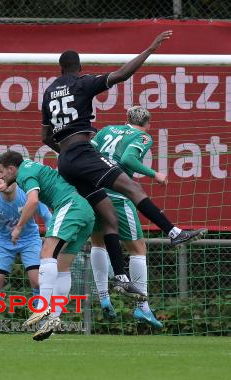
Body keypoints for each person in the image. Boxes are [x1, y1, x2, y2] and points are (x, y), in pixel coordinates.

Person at [40, 30, 205, 298]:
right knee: (132, 188)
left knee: (108, 215)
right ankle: (173, 231)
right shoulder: (82, 83)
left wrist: (67, 153)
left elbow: (45, 137)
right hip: (83, 152)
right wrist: (150, 49)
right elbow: (122, 75)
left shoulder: (48, 93)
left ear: (60, 68)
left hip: (66, 160)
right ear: (79, 67)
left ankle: (120, 278)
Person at [0, 151, 95, 342]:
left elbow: (32, 201)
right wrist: (6, 184)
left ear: (11, 168)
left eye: (2, 172)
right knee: (62, 267)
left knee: (47, 253)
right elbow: (23, 180)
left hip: (69, 206)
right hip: (85, 211)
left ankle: (42, 306)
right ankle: (53, 318)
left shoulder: (23, 174)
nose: (1, 176)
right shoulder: (27, 168)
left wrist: (19, 227)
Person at [90, 106, 163, 328]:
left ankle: (103, 296)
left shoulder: (107, 130)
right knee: (138, 249)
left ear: (126, 119)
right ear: (147, 124)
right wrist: (154, 174)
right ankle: (142, 308)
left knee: (98, 242)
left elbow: (89, 153)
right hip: (117, 194)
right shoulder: (142, 136)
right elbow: (129, 159)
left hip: (92, 192)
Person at [0, 178, 52, 334]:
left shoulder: (29, 196)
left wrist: (50, 240)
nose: (5, 179)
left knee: (37, 281)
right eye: (1, 176)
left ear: (15, 180)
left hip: (29, 240)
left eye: (8, 175)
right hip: (3, 242)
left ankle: (44, 324)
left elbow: (47, 216)